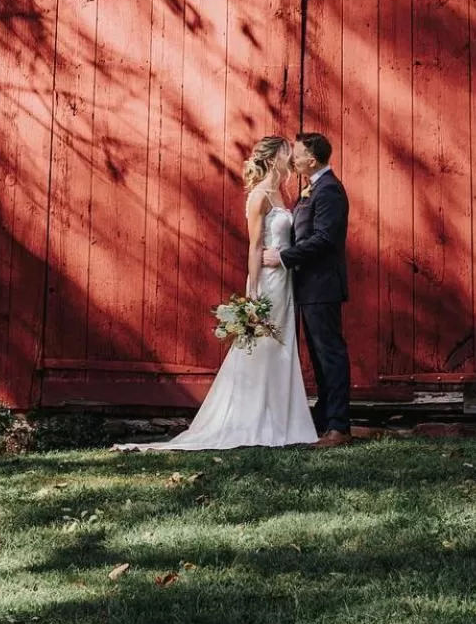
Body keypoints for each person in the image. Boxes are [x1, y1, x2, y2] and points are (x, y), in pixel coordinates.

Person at [113, 136, 318, 452]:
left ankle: (283, 418)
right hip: (269, 283)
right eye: (286, 152)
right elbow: (253, 246)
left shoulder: (282, 192)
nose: (291, 156)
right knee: (262, 344)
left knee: (282, 344)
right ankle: (252, 418)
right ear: (273, 157)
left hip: (286, 280)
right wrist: (253, 291)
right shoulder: (259, 196)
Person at [262, 132, 352, 447]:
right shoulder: (311, 188)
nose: (292, 158)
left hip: (322, 285)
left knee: (330, 354)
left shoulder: (328, 191)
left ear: (310, 160)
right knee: (319, 356)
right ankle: (325, 420)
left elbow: (325, 239)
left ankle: (339, 426)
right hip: (308, 286)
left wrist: (283, 257)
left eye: (297, 154)